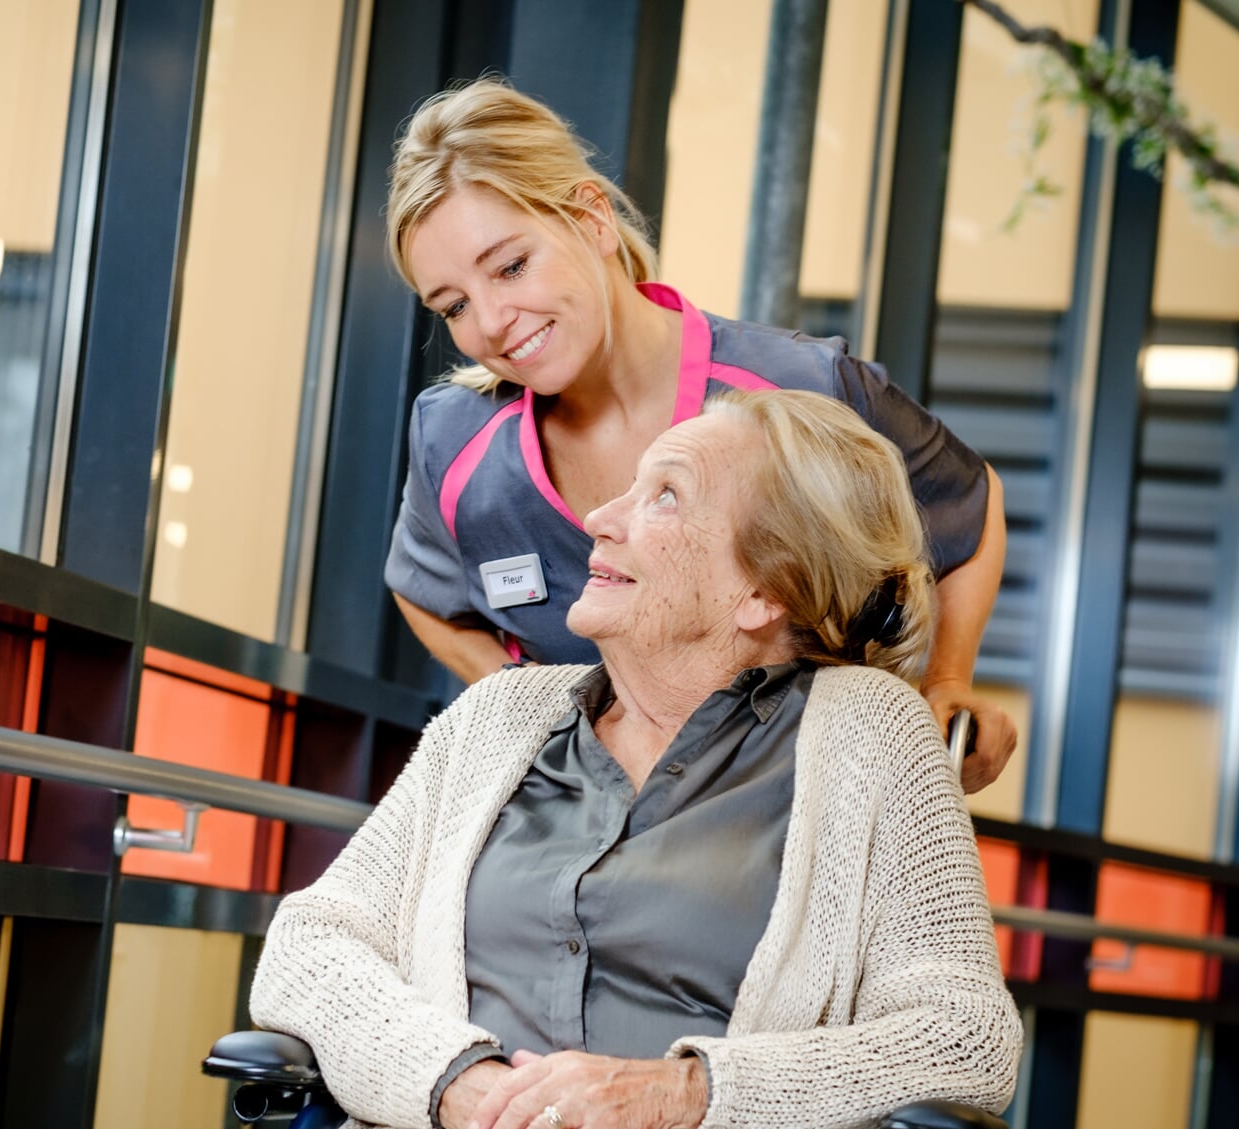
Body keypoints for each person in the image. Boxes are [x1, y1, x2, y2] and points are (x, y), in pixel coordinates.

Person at [253, 390, 1023, 1129]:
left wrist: (681, 1093)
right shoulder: (500, 713)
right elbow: (312, 943)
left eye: (664, 497)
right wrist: (459, 1084)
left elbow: (966, 1039)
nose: (599, 519)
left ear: (762, 590)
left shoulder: (869, 732)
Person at [381, 79, 1016, 793]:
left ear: (591, 218)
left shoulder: (799, 388)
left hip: (792, 815)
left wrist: (950, 678)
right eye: (455, 305)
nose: (491, 321)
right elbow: (421, 589)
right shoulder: (456, 440)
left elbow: (969, 501)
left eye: (511, 265)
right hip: (581, 832)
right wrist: (540, 713)